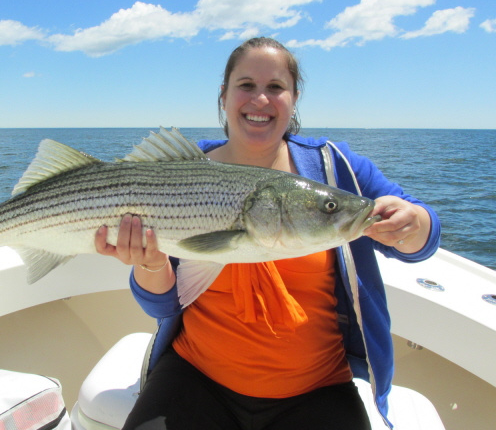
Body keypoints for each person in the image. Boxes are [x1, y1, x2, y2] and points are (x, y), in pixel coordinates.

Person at [95, 37, 441, 430]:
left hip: (318, 388)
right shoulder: (179, 173)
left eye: (276, 87)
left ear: (294, 98)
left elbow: (422, 240)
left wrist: (413, 224)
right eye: (246, 85)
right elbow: (163, 306)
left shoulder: (337, 169)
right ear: (224, 96)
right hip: (195, 376)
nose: (260, 99)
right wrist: (152, 265)